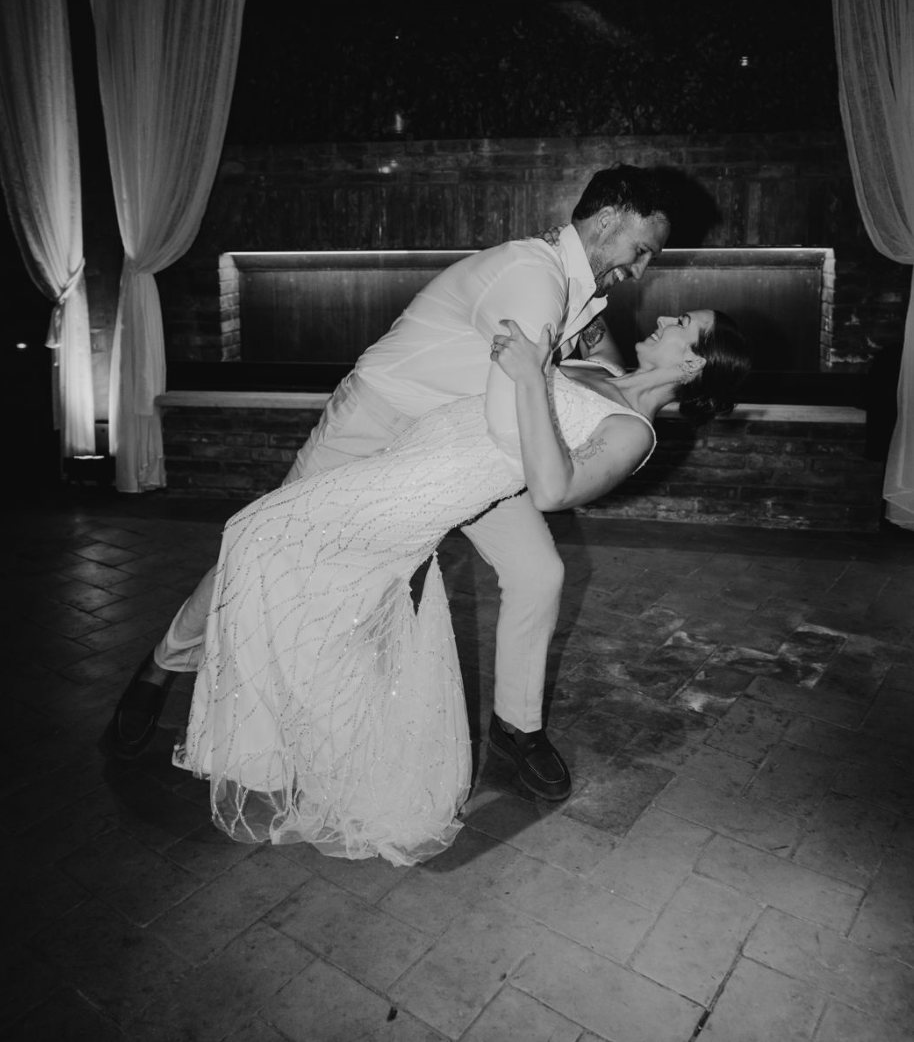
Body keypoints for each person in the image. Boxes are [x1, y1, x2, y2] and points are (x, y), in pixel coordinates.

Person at [102, 164, 676, 802]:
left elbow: (606, 372)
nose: (642, 269)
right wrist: (560, 468)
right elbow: (515, 411)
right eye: (642, 249)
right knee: (267, 544)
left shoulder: (584, 291)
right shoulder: (532, 277)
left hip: (466, 449)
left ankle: (517, 728)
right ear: (607, 220)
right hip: (384, 419)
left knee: (539, 573)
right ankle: (161, 667)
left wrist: (640, 391)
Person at [174, 309, 752, 866]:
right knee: (295, 575)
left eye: (683, 326)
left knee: (257, 535)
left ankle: (276, 749)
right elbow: (599, 366)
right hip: (400, 460)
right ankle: (306, 746)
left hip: (417, 495)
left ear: (694, 367)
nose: (667, 319)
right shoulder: (607, 372)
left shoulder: (631, 432)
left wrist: (531, 375)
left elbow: (553, 490)